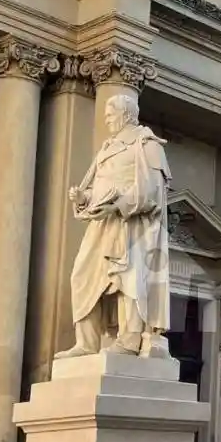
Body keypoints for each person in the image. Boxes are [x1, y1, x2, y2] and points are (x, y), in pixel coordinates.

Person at [55, 94, 172, 359]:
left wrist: (119, 205)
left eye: (111, 115)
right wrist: (83, 198)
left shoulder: (147, 144)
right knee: (82, 276)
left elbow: (152, 190)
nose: (107, 120)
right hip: (103, 223)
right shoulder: (107, 148)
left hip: (131, 224)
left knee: (127, 280)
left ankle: (129, 341)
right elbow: (98, 187)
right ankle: (86, 344)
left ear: (127, 115)